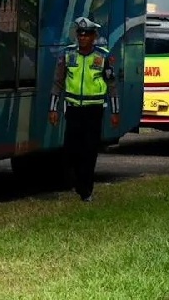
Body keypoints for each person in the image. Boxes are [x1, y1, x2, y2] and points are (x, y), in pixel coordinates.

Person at [49, 16, 120, 202]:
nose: (82, 38)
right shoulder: (68, 54)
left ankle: (86, 190)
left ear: (93, 36)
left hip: (94, 110)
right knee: (71, 151)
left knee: (89, 151)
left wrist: (115, 112)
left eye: (87, 35)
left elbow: (112, 85)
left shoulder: (102, 56)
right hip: (73, 109)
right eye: (80, 34)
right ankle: (77, 181)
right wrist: (53, 109)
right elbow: (58, 82)